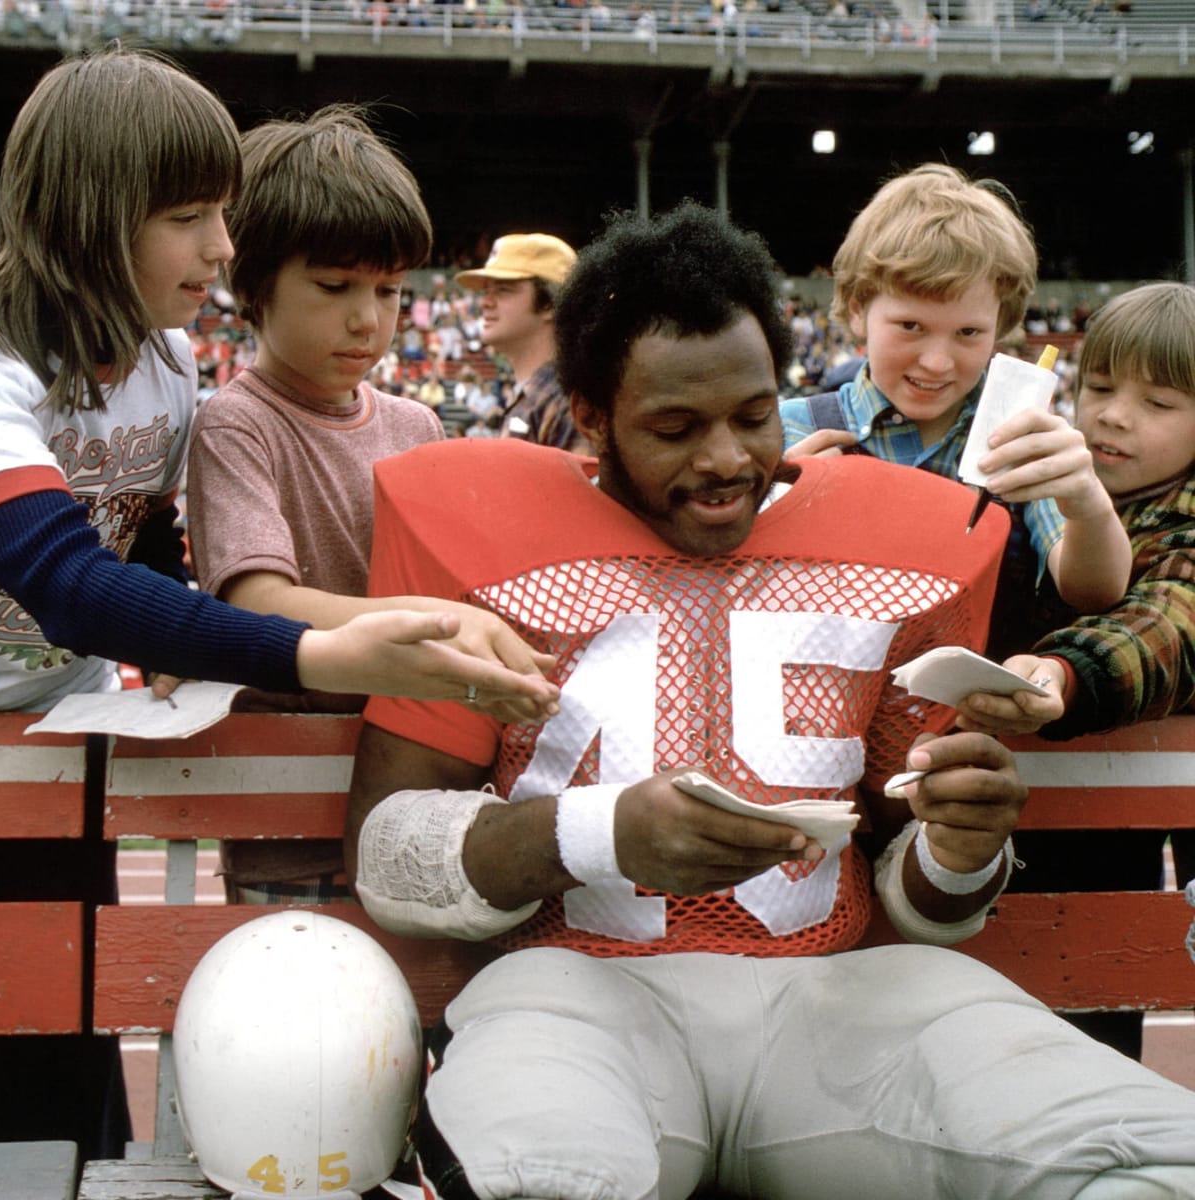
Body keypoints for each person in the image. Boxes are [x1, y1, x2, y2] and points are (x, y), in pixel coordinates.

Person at [0, 49, 557, 1162]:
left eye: (221, 214)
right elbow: (69, 583)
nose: (223, 249)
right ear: (91, 220)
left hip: (51, 731)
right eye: (188, 217)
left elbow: (138, 530)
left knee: (61, 1062)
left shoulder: (166, 358)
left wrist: (195, 633)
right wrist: (321, 653)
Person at [343, 203, 1195, 1200]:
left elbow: (916, 896)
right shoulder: (484, 530)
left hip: (841, 1000)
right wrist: (597, 832)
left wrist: (959, 848)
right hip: (575, 990)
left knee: (1152, 1158)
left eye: (750, 416)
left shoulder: (898, 544)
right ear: (587, 415)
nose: (724, 460)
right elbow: (388, 852)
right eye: (673, 426)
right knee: (541, 1179)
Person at [185, 105, 552, 904]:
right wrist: (444, 624)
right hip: (288, 810)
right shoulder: (235, 423)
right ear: (252, 284)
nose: (368, 318)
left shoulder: (416, 424)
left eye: (389, 290)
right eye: (333, 286)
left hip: (418, 792)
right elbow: (260, 603)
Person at [955, 280, 1195, 1059]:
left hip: (1110, 854)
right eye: (1098, 387)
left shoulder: (1181, 521)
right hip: (1001, 844)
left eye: (1160, 404)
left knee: (1089, 1041)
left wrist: (1063, 673)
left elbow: (1168, 623)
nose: (1116, 416)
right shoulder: (1043, 481)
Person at [778, 163, 1130, 660]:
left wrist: (1087, 501)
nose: (938, 362)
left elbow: (1094, 591)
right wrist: (779, 509)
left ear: (1001, 324)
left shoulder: (1021, 439)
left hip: (971, 725)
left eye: (968, 333)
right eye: (911, 326)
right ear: (857, 308)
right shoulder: (784, 430)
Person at [455, 232, 591, 453]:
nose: (485, 302)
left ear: (550, 304)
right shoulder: (538, 393)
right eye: (486, 291)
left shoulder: (569, 403)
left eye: (503, 290)